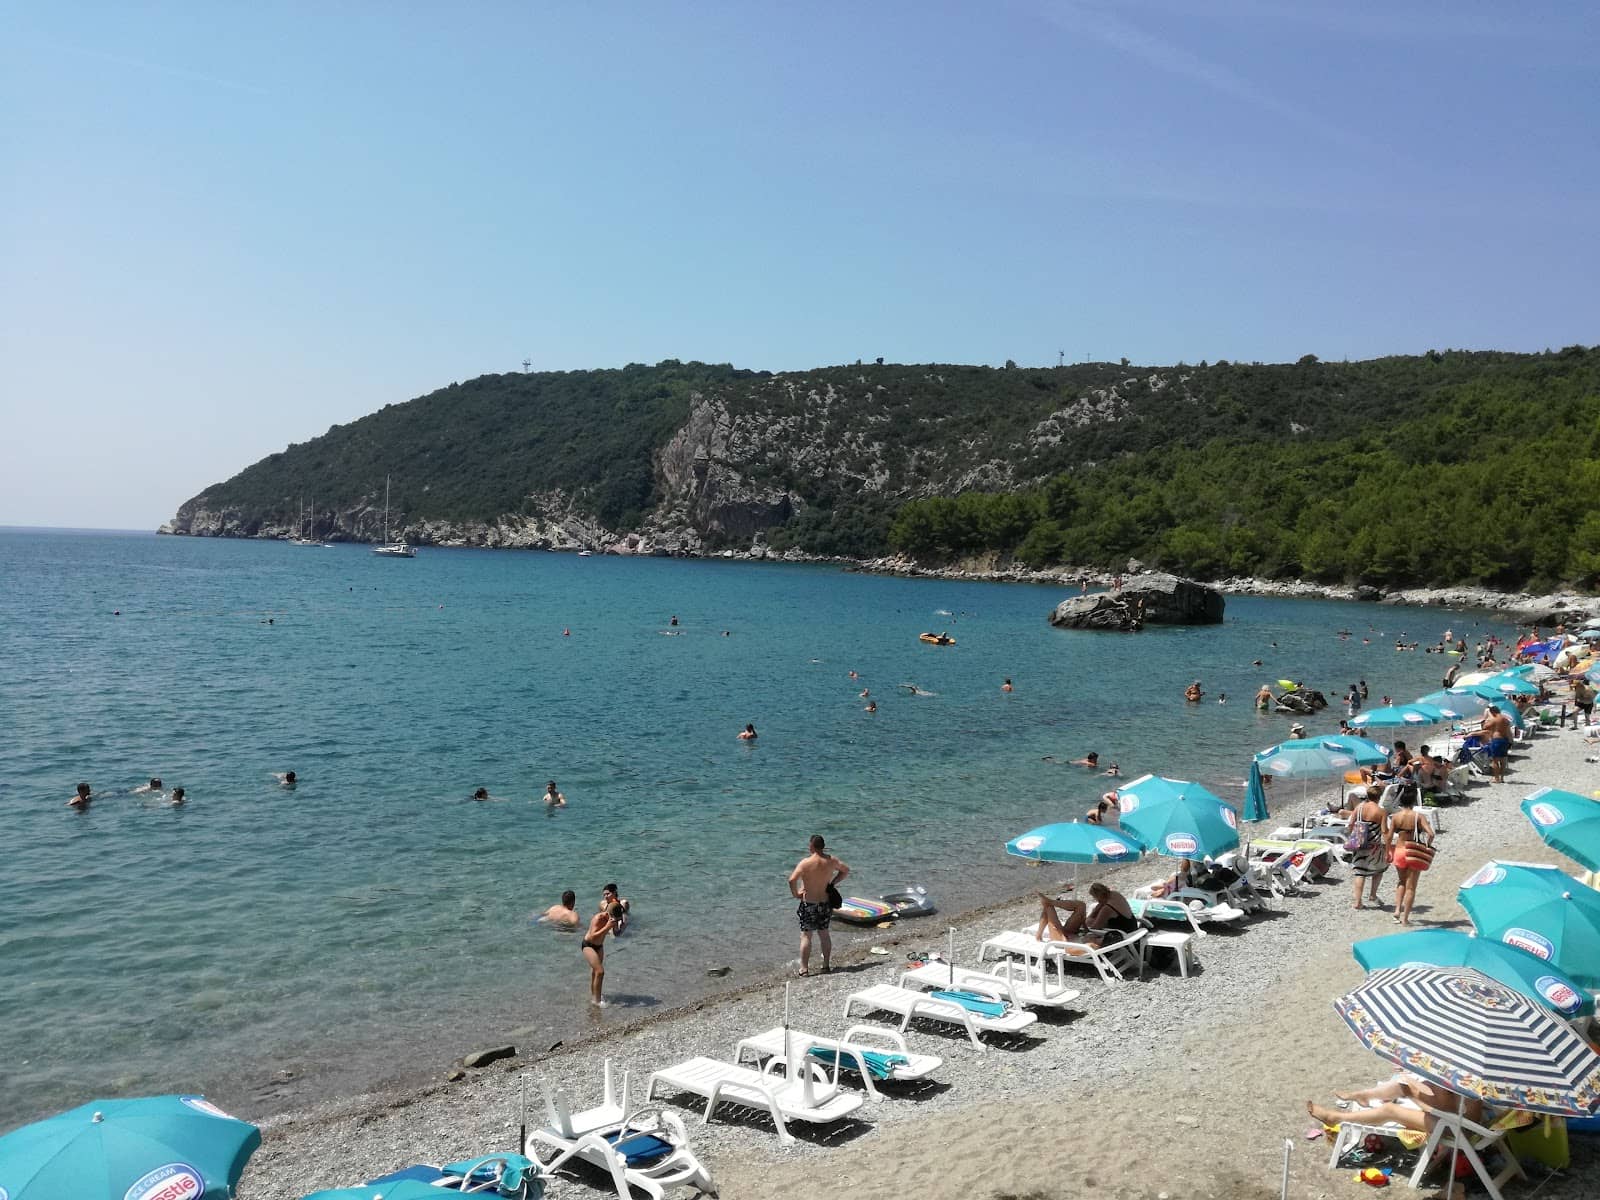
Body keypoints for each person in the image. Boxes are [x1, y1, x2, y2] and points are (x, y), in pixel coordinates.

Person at [1307, 1077, 1479, 1136]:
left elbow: (1455, 1112)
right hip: (1454, 1116)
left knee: (1390, 1110)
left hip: (1456, 1128)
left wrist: (1414, 1097)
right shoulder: (1474, 1075)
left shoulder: (1470, 1086)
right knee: (1405, 1085)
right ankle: (1364, 1095)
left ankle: (1336, 1118)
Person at [788, 834, 848, 976]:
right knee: (824, 934)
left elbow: (791, 880)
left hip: (809, 903)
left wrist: (796, 894)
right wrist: (832, 883)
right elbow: (845, 870)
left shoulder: (805, 863)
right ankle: (826, 965)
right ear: (823, 846)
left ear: (811, 846)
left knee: (806, 936)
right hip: (825, 903)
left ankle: (804, 969)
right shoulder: (831, 860)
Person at [1035, 882, 1137, 947]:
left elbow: (1092, 928)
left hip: (1064, 937)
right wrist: (1089, 917)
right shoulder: (1114, 895)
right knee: (1081, 905)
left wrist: (1085, 923)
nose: (1095, 900)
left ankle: (1050, 903)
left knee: (1048, 906)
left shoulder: (1107, 909)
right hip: (1131, 927)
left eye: (1095, 898)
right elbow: (1091, 926)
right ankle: (1050, 903)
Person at [1386, 792, 1435, 926]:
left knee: (1401, 881)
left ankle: (1397, 911)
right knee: (1411, 887)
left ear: (1401, 803)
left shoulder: (1395, 817)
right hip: (1413, 851)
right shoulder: (1418, 817)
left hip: (1399, 851)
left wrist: (1387, 852)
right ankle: (1406, 919)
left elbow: (1389, 837)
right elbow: (1431, 834)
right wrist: (1427, 845)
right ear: (1413, 802)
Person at [1346, 788, 1390, 909]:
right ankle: (1372, 895)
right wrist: (1387, 849)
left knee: (1360, 872)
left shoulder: (1359, 808)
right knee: (1379, 870)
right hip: (1374, 846)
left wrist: (1351, 837)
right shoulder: (1381, 811)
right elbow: (1384, 831)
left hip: (1359, 844)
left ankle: (1357, 902)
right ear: (1379, 797)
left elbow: (1350, 824)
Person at [581, 900, 623, 1006]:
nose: (614, 921)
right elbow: (592, 936)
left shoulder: (613, 919)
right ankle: (597, 1001)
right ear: (609, 914)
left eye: (616, 919)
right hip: (588, 945)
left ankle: (594, 996)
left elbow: (615, 932)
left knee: (595, 973)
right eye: (613, 919)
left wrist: (617, 928)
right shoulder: (598, 918)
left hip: (599, 947)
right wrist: (607, 927)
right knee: (600, 972)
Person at [1483, 705, 1513, 783]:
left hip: (1497, 740)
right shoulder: (1506, 719)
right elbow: (1508, 732)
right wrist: (1511, 742)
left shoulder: (1495, 719)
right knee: (1503, 760)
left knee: (1495, 761)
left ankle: (1496, 779)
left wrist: (1487, 719)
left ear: (1492, 712)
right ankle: (1502, 778)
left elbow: (1485, 727)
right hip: (1505, 740)